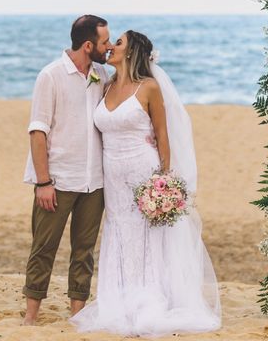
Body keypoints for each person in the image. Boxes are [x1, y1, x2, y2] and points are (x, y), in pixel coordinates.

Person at [70, 30, 222, 336]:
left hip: (144, 170)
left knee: (148, 237)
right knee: (119, 232)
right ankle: (120, 299)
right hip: (112, 175)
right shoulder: (107, 85)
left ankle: (150, 300)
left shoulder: (149, 87)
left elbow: (162, 136)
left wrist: (162, 181)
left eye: (119, 43)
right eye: (111, 42)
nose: (111, 47)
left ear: (132, 52)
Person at [21, 14, 112, 325]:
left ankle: (77, 314)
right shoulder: (51, 76)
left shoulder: (102, 73)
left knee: (84, 252)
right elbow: (37, 132)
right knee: (43, 248)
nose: (109, 47)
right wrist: (43, 182)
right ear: (88, 45)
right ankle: (31, 316)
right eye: (104, 42)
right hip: (58, 180)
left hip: (94, 182)